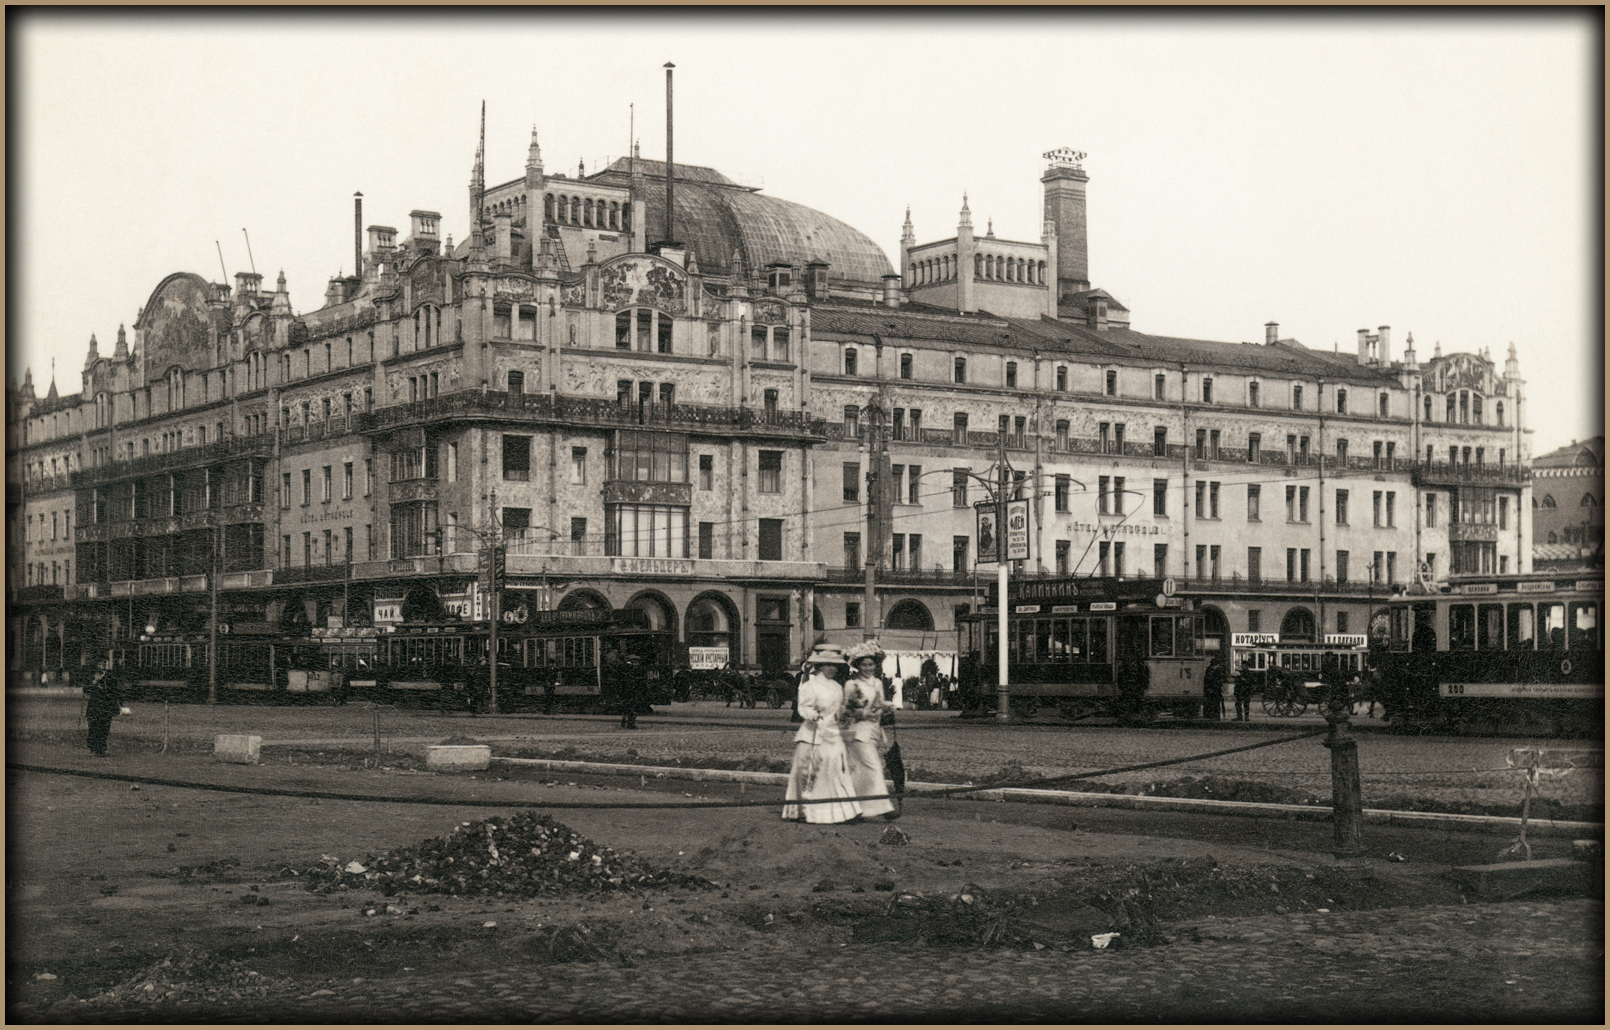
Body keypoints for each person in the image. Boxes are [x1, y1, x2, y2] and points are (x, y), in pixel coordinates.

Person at [782, 645, 862, 824]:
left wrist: (847, 711)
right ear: (819, 666)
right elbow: (803, 708)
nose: (832, 669)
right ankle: (808, 811)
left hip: (833, 733)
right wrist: (813, 715)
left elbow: (838, 710)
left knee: (837, 769)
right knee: (811, 772)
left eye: (835, 666)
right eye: (828, 665)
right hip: (814, 733)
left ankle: (843, 810)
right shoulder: (809, 686)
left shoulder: (836, 687)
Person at [843, 642, 898, 819]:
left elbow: (879, 704)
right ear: (857, 666)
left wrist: (886, 707)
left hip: (874, 730)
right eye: (864, 665)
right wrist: (865, 713)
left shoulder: (878, 683)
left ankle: (854, 809)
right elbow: (849, 710)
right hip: (858, 731)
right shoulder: (852, 685)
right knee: (873, 766)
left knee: (859, 770)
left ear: (876, 665)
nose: (868, 668)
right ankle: (884, 807)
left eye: (871, 664)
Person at [83, 658, 123, 757]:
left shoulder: (110, 676)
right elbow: (86, 690)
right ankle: (93, 747)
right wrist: (95, 682)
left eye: (104, 663)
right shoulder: (91, 675)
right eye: (100, 664)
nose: (102, 666)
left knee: (104, 728)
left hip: (105, 707)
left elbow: (115, 691)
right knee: (93, 727)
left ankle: (101, 748)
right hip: (94, 707)